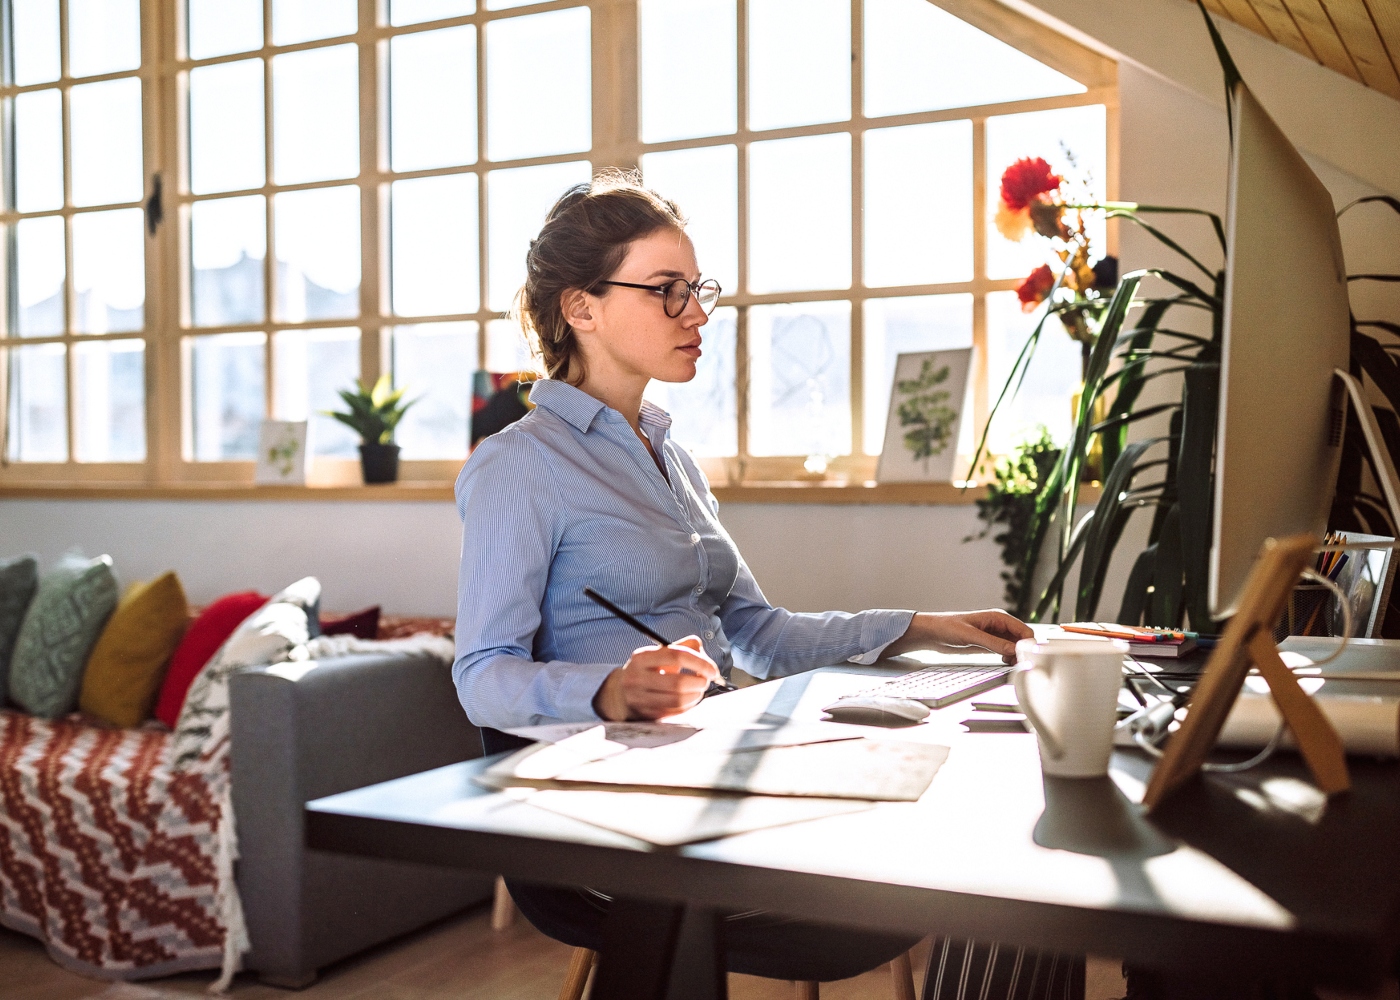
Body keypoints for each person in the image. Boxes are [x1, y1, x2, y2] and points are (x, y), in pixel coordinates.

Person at [452, 170, 1082, 994]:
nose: (697, 315)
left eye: (698, 290)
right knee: (970, 869)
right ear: (582, 307)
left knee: (1011, 829)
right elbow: (481, 677)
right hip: (606, 824)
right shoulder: (519, 465)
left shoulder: (671, 458)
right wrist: (607, 691)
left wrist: (925, 624)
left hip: (711, 771)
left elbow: (759, 630)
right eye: (667, 292)